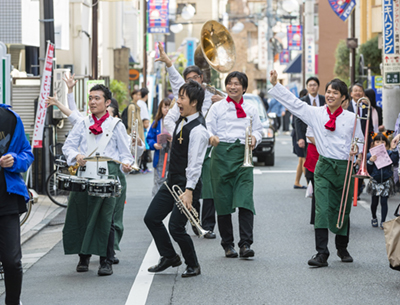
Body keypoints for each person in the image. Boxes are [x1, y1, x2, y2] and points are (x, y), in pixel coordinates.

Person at [269, 70, 364, 268]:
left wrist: (358, 149)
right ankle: (322, 253)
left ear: (343, 97)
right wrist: (277, 85)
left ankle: (342, 247)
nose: (330, 95)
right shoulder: (316, 113)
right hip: (324, 166)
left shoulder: (352, 117)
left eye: (335, 93)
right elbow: (295, 104)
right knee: (321, 209)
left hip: (345, 167)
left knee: (342, 209)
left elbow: (360, 141)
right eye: (328, 91)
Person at [62, 84, 134, 276]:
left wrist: (126, 164)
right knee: (80, 215)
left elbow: (125, 154)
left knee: (106, 219)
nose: (93, 102)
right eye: (91, 98)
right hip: (84, 175)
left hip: (107, 175)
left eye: (97, 98)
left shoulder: (116, 125)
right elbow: (68, 146)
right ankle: (83, 257)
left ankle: (106, 260)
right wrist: (76, 155)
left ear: (107, 102)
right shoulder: (82, 123)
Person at [155, 42, 223, 239]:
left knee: (205, 187)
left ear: (201, 78)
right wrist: (168, 63)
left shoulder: (212, 95)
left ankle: (206, 224)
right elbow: (177, 84)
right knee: (191, 182)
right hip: (187, 144)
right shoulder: (182, 101)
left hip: (209, 146)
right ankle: (195, 221)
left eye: (195, 78)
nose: (191, 82)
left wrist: (225, 103)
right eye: (188, 80)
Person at [144, 81, 208, 277]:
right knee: (151, 218)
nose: (177, 102)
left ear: (195, 102)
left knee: (176, 227)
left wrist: (189, 192)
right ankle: (169, 256)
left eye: (182, 98)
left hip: (187, 186)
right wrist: (170, 66)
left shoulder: (199, 131)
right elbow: (170, 114)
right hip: (171, 183)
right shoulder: (180, 119)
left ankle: (193, 264)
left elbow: (195, 165)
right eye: (177, 97)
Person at [207, 71, 263, 258]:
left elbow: (259, 130)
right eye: (230, 83)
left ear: (244, 88)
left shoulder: (252, 108)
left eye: (237, 83)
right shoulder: (216, 108)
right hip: (221, 157)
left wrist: (255, 137)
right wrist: (211, 137)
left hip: (243, 157)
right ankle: (227, 244)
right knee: (222, 202)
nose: (233, 86)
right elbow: (208, 128)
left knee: (245, 200)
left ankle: (245, 244)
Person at [0, 104, 34, 305]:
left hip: (7, 199)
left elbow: (26, 153)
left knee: (12, 261)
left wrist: (14, 160)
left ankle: (13, 302)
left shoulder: (10, 118)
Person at [366, 133, 399, 229]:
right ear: (373, 143)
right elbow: (369, 170)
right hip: (375, 181)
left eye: (382, 141)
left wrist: (394, 149)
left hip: (386, 181)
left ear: (386, 143)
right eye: (377, 141)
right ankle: (374, 217)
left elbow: (395, 161)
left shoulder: (389, 153)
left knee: (384, 202)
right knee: (374, 203)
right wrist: (370, 161)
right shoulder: (369, 155)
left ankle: (383, 221)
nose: (380, 143)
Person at [147, 98, 172, 196]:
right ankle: (157, 200)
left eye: (169, 107)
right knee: (159, 178)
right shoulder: (156, 122)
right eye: (164, 107)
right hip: (161, 153)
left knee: (172, 178)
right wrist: (154, 144)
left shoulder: (176, 122)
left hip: (173, 153)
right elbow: (149, 138)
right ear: (160, 108)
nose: (166, 109)